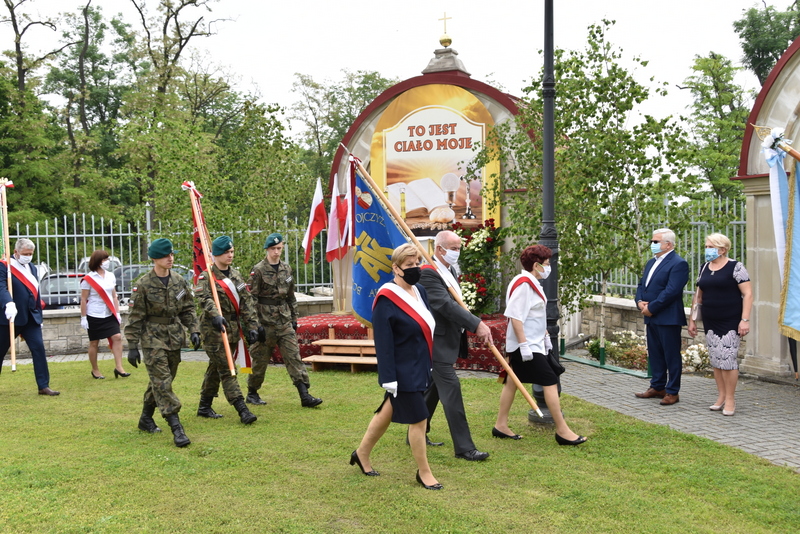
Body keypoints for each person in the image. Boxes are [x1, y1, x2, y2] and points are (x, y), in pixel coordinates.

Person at [350, 244, 442, 489]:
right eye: (409, 265)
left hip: (420, 364)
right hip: (402, 371)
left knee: (386, 413)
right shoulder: (386, 298)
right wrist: (388, 377)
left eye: (417, 263)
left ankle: (361, 453)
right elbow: (383, 341)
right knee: (419, 419)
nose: (414, 269)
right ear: (396, 267)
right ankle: (424, 473)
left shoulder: (420, 291)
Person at [494, 245, 586, 445]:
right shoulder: (525, 284)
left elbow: (532, 315)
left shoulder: (529, 282)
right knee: (550, 380)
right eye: (546, 263)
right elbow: (516, 317)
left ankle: (500, 425)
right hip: (525, 346)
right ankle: (562, 430)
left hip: (533, 343)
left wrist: (543, 335)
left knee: (512, 382)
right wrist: (525, 345)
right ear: (536, 265)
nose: (549, 266)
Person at [420, 230, 491, 461]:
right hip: (435, 343)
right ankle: (464, 447)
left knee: (433, 390)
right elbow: (444, 305)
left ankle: (417, 432)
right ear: (439, 249)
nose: (457, 253)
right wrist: (476, 324)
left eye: (459, 248)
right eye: (453, 248)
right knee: (451, 391)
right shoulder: (429, 273)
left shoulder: (449, 270)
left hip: (446, 340)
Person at [125, 238, 201, 447]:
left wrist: (194, 330)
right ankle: (177, 428)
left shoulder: (179, 280)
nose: (170, 258)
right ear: (154, 259)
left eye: (172, 255)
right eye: (166, 255)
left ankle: (145, 419)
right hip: (152, 338)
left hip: (174, 337)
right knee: (163, 382)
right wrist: (132, 346)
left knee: (161, 381)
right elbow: (135, 317)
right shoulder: (143, 284)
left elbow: (187, 308)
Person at [246, 233, 322, 408]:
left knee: (293, 356)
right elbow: (251, 299)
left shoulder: (286, 269)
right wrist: (255, 325)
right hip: (265, 322)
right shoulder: (258, 270)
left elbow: (291, 296)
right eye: (273, 249)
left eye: (279, 248)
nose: (276, 252)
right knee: (259, 360)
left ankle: (304, 394)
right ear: (267, 249)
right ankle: (252, 392)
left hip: (284, 321)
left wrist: (294, 318)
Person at [194, 236, 259, 425]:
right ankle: (242, 408)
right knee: (227, 369)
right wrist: (215, 315)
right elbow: (204, 299)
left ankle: (204, 406)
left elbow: (246, 301)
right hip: (213, 329)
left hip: (232, 328)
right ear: (216, 254)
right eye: (226, 252)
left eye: (231, 252)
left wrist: (253, 326)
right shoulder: (206, 277)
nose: (230, 255)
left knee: (216, 368)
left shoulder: (236, 275)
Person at [688, 233, 752, 416]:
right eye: (706, 246)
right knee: (716, 358)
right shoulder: (704, 268)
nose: (707, 250)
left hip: (730, 319)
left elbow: (748, 294)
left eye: (710, 247)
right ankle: (721, 396)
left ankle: (731, 399)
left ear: (722, 249)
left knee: (728, 359)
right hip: (710, 319)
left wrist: (744, 320)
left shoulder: (736, 267)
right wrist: (692, 320)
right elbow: (698, 295)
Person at [634, 228, 689, 405]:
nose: (652, 245)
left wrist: (653, 307)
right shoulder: (651, 262)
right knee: (655, 353)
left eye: (656, 242)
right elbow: (642, 284)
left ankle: (673, 391)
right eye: (652, 241)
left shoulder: (678, 263)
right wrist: (640, 302)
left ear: (668, 244)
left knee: (671, 355)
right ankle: (657, 386)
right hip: (650, 315)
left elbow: (672, 291)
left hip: (668, 316)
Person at [0, 238, 60, 396]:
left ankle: (43, 385)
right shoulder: (5, 265)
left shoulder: (32, 267)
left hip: (31, 318)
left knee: (38, 348)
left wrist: (39, 315)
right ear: (16, 252)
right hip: (10, 317)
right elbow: (1, 287)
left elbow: (35, 293)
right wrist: (8, 303)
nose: (28, 256)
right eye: (25, 253)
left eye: (30, 254)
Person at [80, 249, 129, 380]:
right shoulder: (88, 279)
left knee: (117, 337)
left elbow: (114, 296)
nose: (107, 262)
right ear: (98, 261)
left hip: (109, 312)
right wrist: (84, 317)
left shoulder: (110, 276)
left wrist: (117, 312)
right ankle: (95, 370)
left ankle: (119, 367)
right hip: (94, 314)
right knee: (94, 343)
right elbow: (84, 299)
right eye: (105, 259)